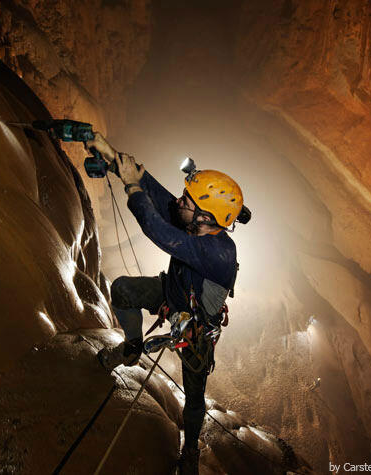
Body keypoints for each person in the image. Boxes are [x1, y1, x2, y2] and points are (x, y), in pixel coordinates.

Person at [86, 133, 242, 474]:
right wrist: (119, 162)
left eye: (189, 201)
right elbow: (163, 200)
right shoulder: (199, 225)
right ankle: (130, 347)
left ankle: (191, 451)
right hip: (172, 294)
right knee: (123, 289)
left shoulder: (217, 254)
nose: (181, 202)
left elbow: (156, 229)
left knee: (194, 398)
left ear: (205, 218)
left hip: (195, 330)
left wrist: (132, 188)